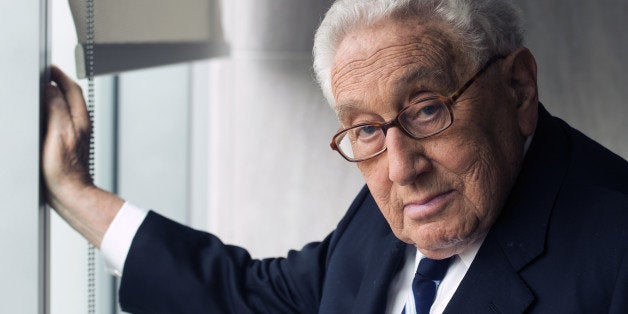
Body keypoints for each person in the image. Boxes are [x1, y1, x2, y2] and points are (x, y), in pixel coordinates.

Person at [43, 0, 627, 313]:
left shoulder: (616, 254)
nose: (401, 170)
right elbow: (248, 298)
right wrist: (75, 193)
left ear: (518, 89)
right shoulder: (383, 218)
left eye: (427, 109)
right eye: (366, 129)